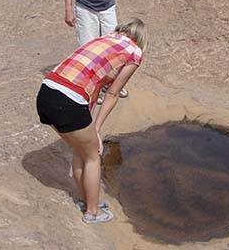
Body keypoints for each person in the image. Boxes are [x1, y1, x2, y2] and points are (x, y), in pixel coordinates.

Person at [36, 18, 147, 223]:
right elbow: (113, 94)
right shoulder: (135, 52)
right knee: (94, 155)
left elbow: (93, 81)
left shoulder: (105, 39)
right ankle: (93, 212)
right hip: (68, 100)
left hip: (46, 92)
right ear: (140, 39)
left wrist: (90, 125)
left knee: (81, 150)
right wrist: (96, 128)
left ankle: (85, 200)